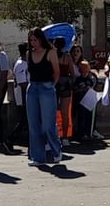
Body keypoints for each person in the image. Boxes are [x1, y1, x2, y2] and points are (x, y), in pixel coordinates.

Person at [25, 27, 63, 167]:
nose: (33, 43)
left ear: (41, 39)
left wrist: (52, 86)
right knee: (33, 124)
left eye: (35, 40)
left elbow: (56, 72)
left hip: (47, 87)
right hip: (33, 87)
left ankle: (56, 150)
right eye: (31, 40)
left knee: (48, 124)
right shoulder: (29, 54)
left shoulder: (50, 52)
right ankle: (37, 156)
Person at [7, 43, 29, 147]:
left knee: (25, 121)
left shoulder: (26, 63)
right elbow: (22, 83)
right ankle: (11, 138)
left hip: (27, 97)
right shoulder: (21, 64)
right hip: (23, 97)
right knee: (24, 120)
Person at [53, 37, 75, 146]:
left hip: (54, 84)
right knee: (65, 113)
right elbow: (72, 72)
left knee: (52, 112)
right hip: (65, 85)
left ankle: (54, 136)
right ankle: (65, 137)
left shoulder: (51, 56)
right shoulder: (67, 57)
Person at [71, 60, 97, 142]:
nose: (85, 73)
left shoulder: (90, 80)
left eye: (86, 71)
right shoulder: (78, 80)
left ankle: (88, 132)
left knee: (89, 118)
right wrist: (82, 89)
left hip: (88, 102)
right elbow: (74, 90)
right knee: (81, 118)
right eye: (83, 71)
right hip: (80, 102)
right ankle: (80, 134)